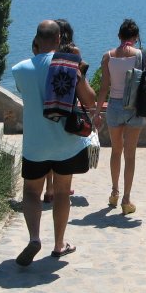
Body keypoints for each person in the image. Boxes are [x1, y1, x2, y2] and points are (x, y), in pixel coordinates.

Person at [12, 19, 96, 265]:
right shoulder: (68, 65)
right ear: (59, 39)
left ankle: (34, 238)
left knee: (31, 192)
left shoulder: (20, 69)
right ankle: (59, 244)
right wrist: (79, 71)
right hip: (65, 144)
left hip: (35, 145)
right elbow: (90, 100)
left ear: (36, 40)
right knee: (61, 193)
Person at [93, 18, 146, 214]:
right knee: (130, 155)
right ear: (136, 37)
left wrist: (97, 113)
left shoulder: (108, 57)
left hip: (114, 107)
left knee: (116, 151)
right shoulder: (141, 55)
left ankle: (114, 193)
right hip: (134, 108)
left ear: (119, 36)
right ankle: (126, 200)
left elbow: (103, 88)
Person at [42, 19, 85, 203]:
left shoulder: (50, 51)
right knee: (67, 147)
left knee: (49, 148)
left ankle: (49, 189)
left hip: (51, 99)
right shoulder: (74, 51)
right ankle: (64, 186)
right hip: (69, 101)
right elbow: (80, 77)